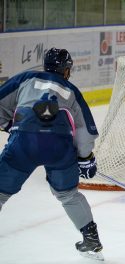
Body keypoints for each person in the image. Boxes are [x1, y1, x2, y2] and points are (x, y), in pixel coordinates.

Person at [0, 48, 103, 259]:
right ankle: (90, 238)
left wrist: (11, 125)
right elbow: (85, 131)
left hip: (23, 141)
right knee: (68, 194)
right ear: (66, 70)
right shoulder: (71, 90)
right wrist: (85, 158)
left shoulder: (26, 77)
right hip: (59, 146)